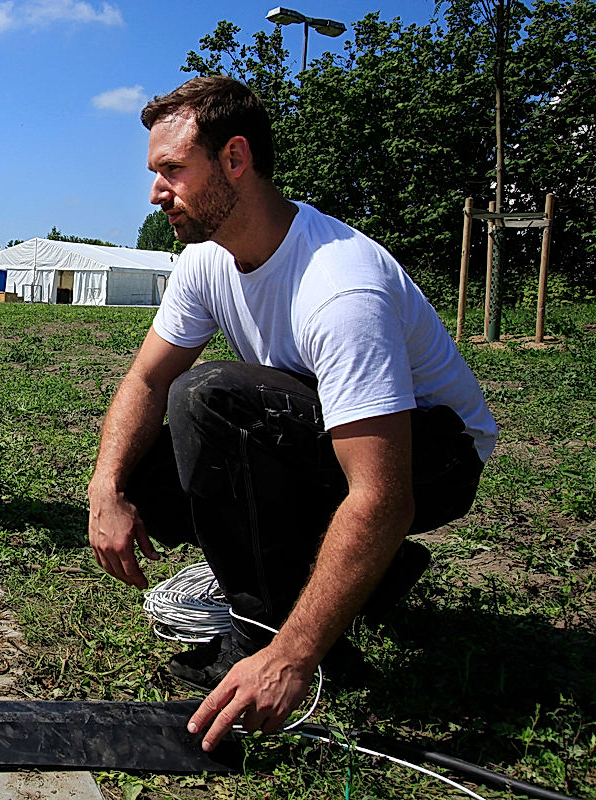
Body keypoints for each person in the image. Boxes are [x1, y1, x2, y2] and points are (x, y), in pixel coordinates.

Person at [86, 76, 497, 753]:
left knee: (210, 398)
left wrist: (292, 658)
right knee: (151, 476)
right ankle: (365, 577)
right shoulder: (206, 260)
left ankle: (269, 634)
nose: (156, 191)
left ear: (235, 160)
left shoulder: (340, 286)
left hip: (435, 457)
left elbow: (382, 496)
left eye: (171, 170)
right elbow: (146, 377)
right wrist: (106, 489)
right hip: (331, 443)